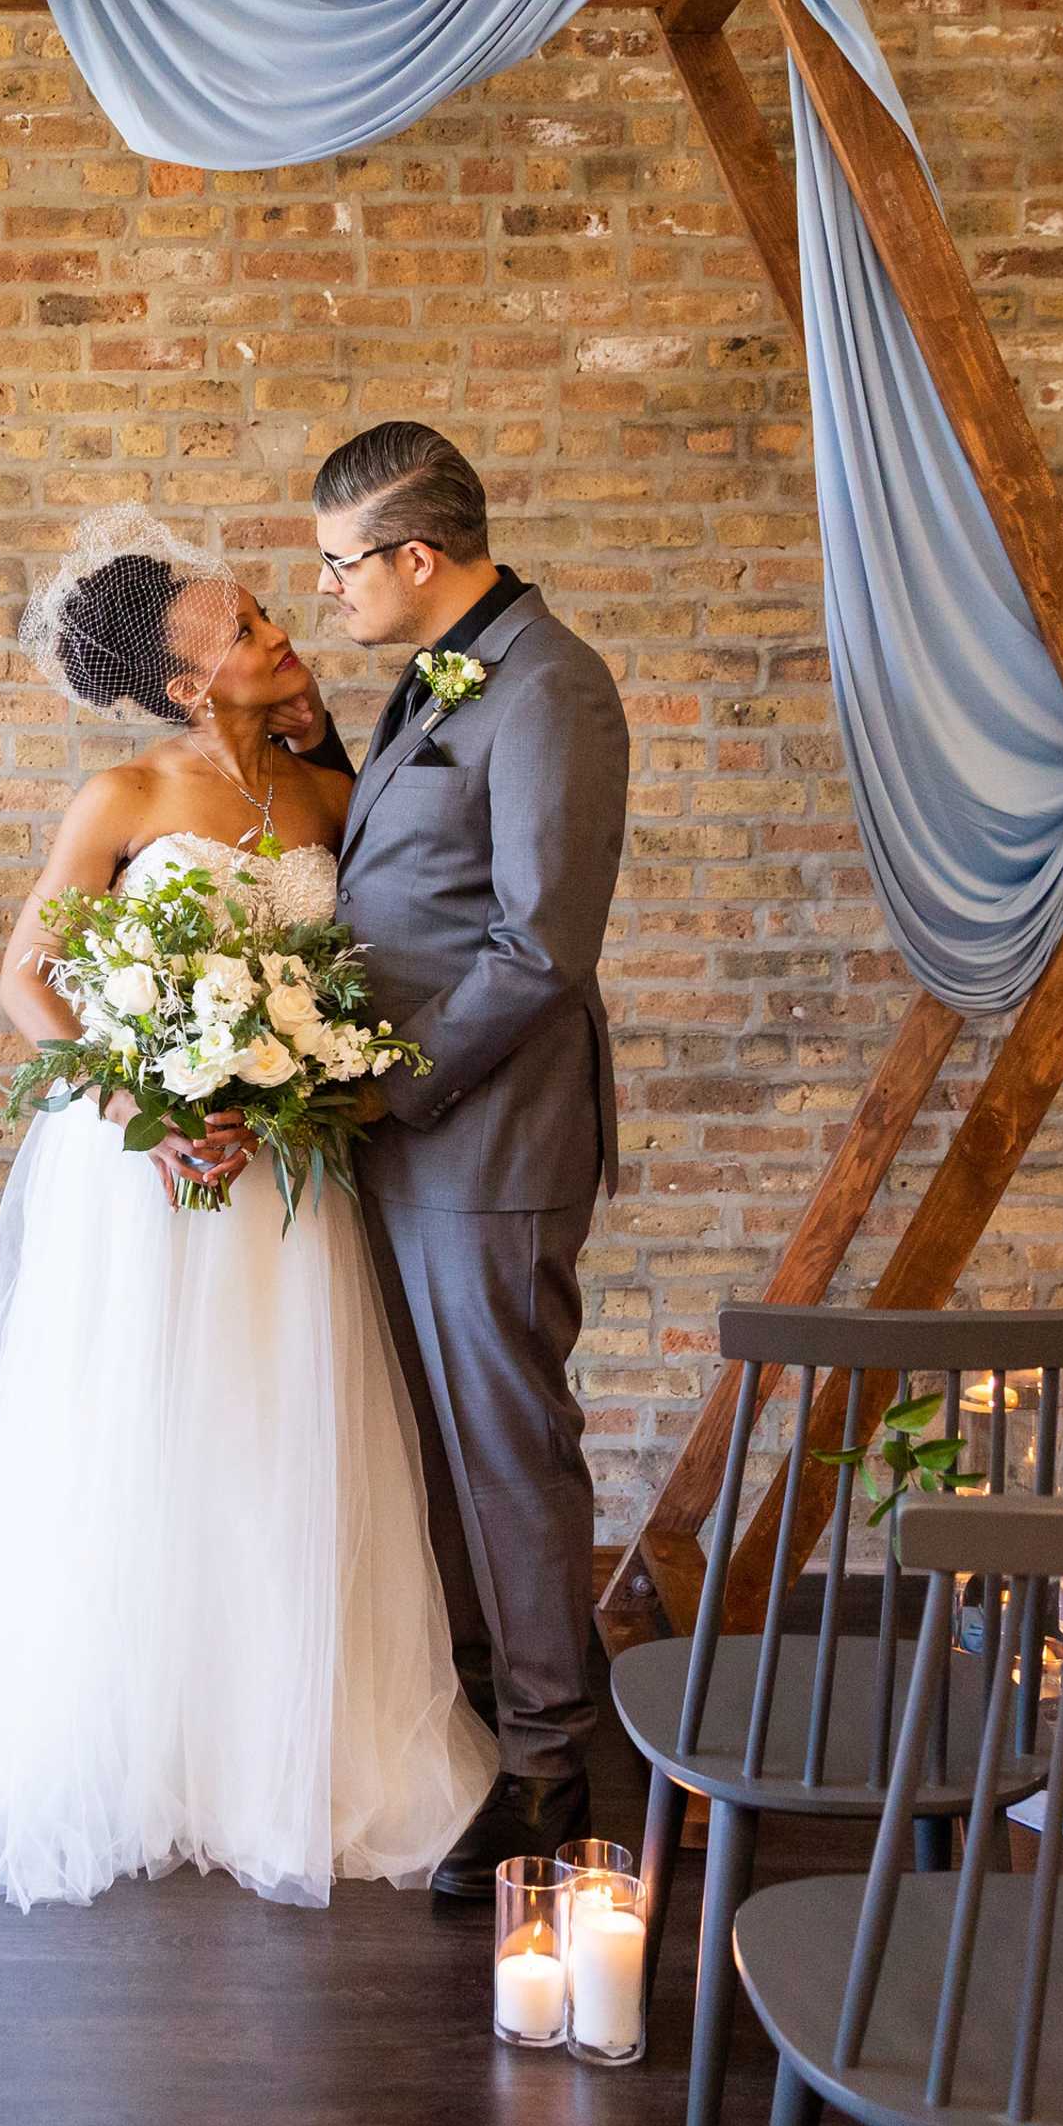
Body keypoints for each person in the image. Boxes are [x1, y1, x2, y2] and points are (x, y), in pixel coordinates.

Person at [0, 510, 497, 1907]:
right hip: (142, 1173)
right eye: (246, 629)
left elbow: (374, 964)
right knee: (127, 1434)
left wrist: (308, 1070)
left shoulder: (326, 801)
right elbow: (26, 985)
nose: (280, 632)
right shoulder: (121, 799)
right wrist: (140, 1113)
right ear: (186, 686)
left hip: (280, 1178)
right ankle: (111, 1735)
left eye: (268, 617)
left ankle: (267, 1736)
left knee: (270, 1429)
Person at [306, 422, 632, 1896]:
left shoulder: (553, 688)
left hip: (485, 1140)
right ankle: (490, 1717)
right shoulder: (434, 680)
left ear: (414, 558)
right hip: (410, 1142)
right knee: (440, 1450)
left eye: (339, 565)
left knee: (507, 1448)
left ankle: (556, 1767)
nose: (328, 592)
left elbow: (541, 948)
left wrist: (393, 1086)